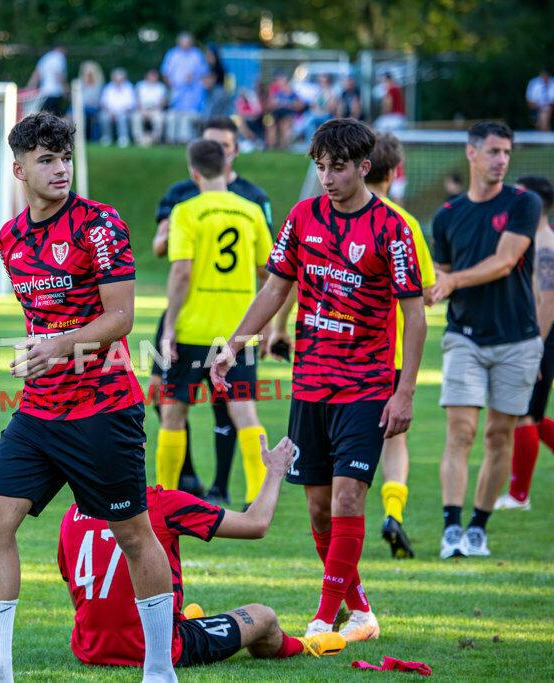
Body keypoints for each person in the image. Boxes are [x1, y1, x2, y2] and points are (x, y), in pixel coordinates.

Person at [0, 112, 177, 683]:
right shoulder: (10, 237)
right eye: (46, 159)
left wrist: (59, 344)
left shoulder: (100, 225)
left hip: (104, 406)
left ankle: (160, 669)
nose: (60, 168)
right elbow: (46, 318)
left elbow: (120, 318)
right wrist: (41, 352)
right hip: (41, 407)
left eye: (65, 157)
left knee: (132, 534)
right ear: (19, 169)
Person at [211, 118, 427, 642]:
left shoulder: (392, 228)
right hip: (310, 384)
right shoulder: (303, 217)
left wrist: (405, 392)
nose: (326, 178)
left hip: (368, 386)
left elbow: (415, 316)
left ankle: (324, 616)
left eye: (337, 168)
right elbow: (273, 289)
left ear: (363, 167)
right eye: (320, 168)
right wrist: (235, 342)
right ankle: (361, 611)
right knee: (318, 507)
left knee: (349, 498)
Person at [58, 434, 347, 669]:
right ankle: (307, 644)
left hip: (89, 650)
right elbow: (255, 524)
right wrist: (274, 472)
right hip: (158, 649)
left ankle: (184, 619)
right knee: (264, 617)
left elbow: (76, 594)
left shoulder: (72, 515)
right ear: (139, 452)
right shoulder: (161, 503)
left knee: (182, 611)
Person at [427, 121, 544, 559]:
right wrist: (434, 288)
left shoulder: (523, 203)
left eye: (507, 152)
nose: (501, 160)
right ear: (471, 153)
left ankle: (478, 526)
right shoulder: (447, 215)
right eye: (494, 151)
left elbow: (505, 260)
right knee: (461, 431)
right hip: (465, 338)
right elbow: (440, 276)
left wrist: (452, 280)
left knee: (499, 436)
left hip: (518, 340)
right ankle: (451, 528)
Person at [152, 117, 274, 507]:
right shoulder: (251, 210)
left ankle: (165, 498)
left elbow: (181, 270)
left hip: (193, 328)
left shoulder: (186, 211)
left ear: (193, 171)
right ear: (226, 165)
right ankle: (257, 498)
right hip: (238, 331)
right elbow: (268, 273)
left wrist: (169, 326)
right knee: (245, 413)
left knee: (173, 413)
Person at [363, 132, 437, 559]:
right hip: (391, 356)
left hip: (344, 355)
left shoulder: (331, 215)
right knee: (395, 440)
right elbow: (423, 293)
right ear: (393, 172)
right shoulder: (402, 222)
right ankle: (394, 513)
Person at [496, 175, 554, 510]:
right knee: (525, 413)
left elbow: (547, 303)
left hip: (540, 339)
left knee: (525, 416)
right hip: (528, 337)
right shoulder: (529, 238)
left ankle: (519, 496)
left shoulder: (545, 243)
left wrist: (535, 351)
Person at [160, 32, 209, 143]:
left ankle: (184, 139)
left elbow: (204, 73)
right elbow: (166, 73)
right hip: (177, 90)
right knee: (173, 115)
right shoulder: (172, 54)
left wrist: (194, 79)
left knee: (187, 115)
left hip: (193, 92)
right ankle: (170, 139)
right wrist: (171, 87)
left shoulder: (197, 55)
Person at [99, 68, 136, 147]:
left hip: (124, 112)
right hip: (110, 112)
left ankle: (123, 138)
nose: (118, 80)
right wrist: (109, 112)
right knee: (104, 117)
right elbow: (103, 103)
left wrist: (120, 112)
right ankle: (106, 138)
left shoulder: (129, 88)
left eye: (120, 78)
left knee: (122, 118)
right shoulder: (108, 88)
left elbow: (131, 104)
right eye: (116, 78)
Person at [27, 44, 68, 115]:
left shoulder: (45, 57)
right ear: (60, 49)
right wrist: (65, 88)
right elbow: (58, 74)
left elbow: (37, 74)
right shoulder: (59, 57)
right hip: (55, 92)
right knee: (56, 116)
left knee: (47, 115)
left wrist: (30, 88)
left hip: (44, 92)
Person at [132, 69, 168, 147]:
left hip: (156, 109)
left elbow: (163, 101)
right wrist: (142, 110)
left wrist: (154, 110)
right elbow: (137, 99)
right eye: (151, 76)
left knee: (159, 118)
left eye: (154, 76)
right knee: (135, 117)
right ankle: (138, 139)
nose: (152, 78)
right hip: (142, 109)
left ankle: (155, 139)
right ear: (147, 76)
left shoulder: (161, 87)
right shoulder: (140, 85)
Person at [265, 73, 300, 149]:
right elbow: (269, 106)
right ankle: (271, 146)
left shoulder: (292, 94)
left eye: (282, 81)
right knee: (271, 125)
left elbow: (300, 106)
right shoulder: (277, 94)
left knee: (285, 124)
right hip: (277, 114)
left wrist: (289, 104)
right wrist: (276, 104)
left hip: (288, 115)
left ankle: (285, 146)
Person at [77, 61, 105, 141]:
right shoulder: (80, 83)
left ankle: (94, 139)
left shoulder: (98, 83)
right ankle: (78, 138)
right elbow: (79, 98)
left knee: (96, 117)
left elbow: (98, 99)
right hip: (82, 107)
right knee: (77, 113)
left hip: (94, 107)